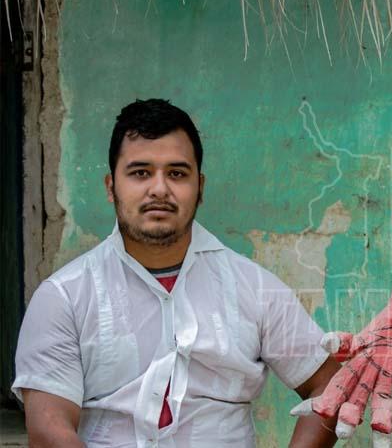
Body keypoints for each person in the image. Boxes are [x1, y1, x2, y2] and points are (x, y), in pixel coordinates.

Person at [12, 99, 338, 447]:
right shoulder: (64, 297)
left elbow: (329, 385)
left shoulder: (254, 288)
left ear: (200, 187)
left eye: (177, 174)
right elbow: (49, 430)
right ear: (110, 186)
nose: (159, 189)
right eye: (140, 173)